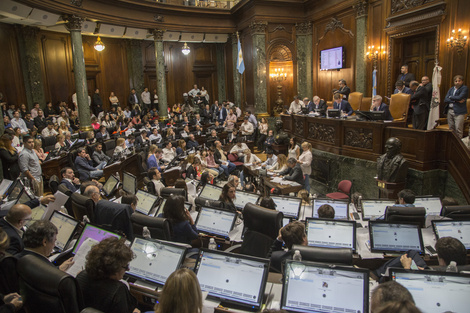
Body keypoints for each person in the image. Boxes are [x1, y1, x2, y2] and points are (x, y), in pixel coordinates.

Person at [76, 237, 140, 313]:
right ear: (114, 268)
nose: (128, 269)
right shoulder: (118, 290)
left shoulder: (81, 276)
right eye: (125, 266)